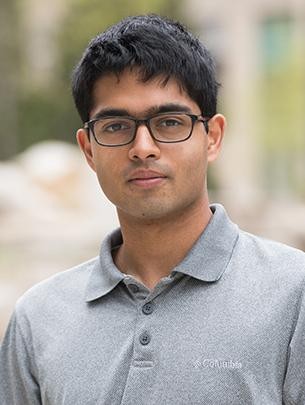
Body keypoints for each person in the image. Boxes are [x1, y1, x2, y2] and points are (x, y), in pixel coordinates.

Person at [0, 14, 305, 405]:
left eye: (170, 122)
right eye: (116, 126)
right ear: (89, 149)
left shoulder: (293, 294)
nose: (143, 147)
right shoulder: (37, 318)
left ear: (212, 137)